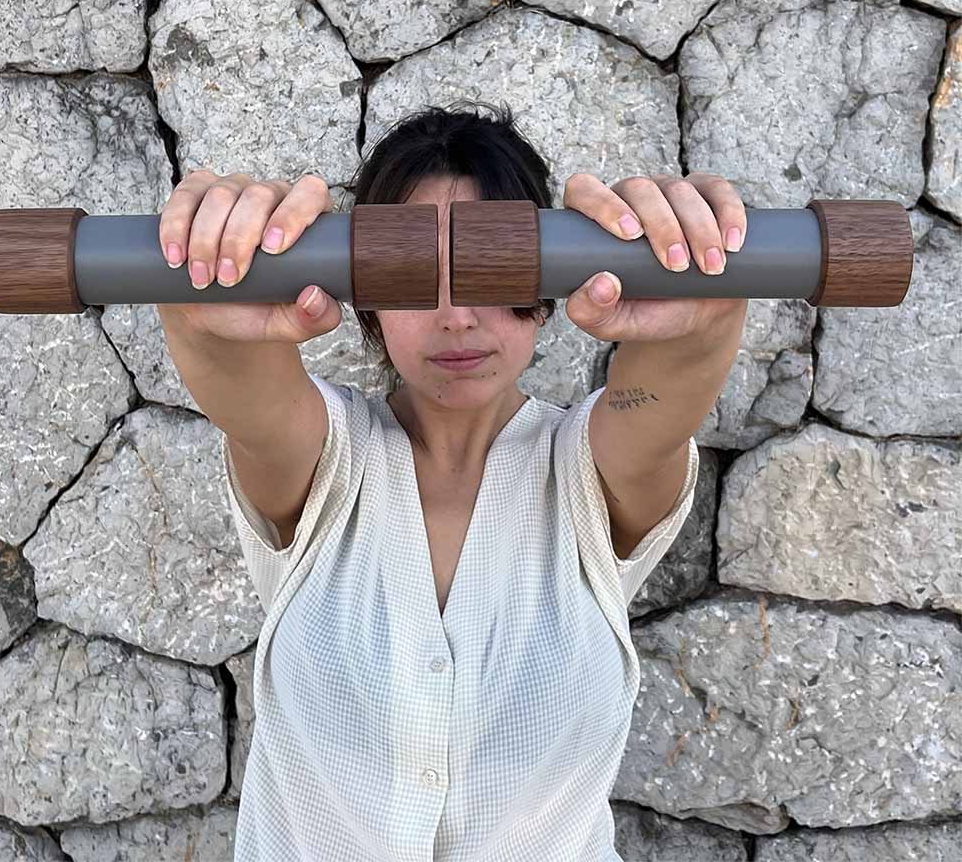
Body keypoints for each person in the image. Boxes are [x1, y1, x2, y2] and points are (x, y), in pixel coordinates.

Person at [157, 99, 748, 860]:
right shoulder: (323, 463)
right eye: (412, 273)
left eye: (492, 265)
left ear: (546, 285)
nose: (456, 315)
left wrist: (692, 280)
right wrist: (214, 266)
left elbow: (676, 370)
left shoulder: (587, 478)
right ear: (365, 299)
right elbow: (236, 370)